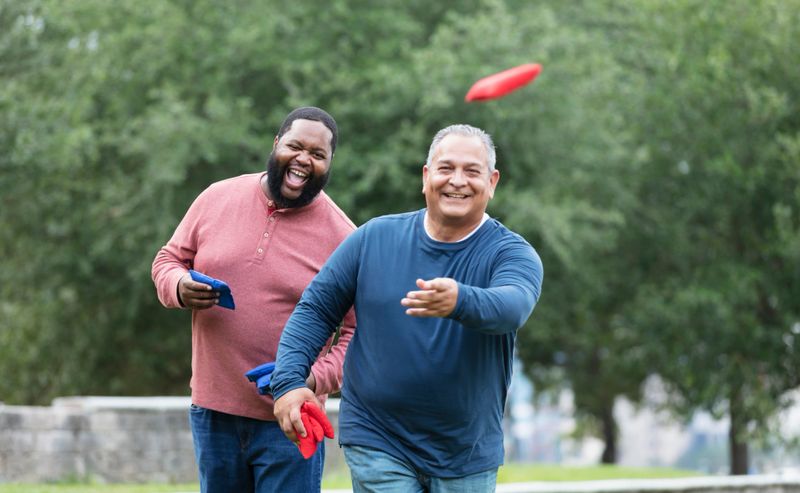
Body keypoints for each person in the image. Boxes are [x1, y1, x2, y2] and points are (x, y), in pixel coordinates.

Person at [270, 124, 543, 492]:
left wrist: (460, 300)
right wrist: (287, 382)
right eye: (446, 168)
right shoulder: (372, 239)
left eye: (472, 171)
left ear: (492, 182)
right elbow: (316, 310)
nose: (457, 181)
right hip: (377, 437)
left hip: (465, 452)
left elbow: (513, 307)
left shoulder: (512, 254)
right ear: (426, 176)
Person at [151, 106, 356, 493]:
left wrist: (309, 379)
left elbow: (358, 334)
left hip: (292, 419)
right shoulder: (217, 197)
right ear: (276, 144)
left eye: (317, 154)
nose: (303, 160)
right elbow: (168, 259)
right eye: (295, 146)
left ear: (330, 164)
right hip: (213, 412)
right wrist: (178, 285)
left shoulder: (344, 238)